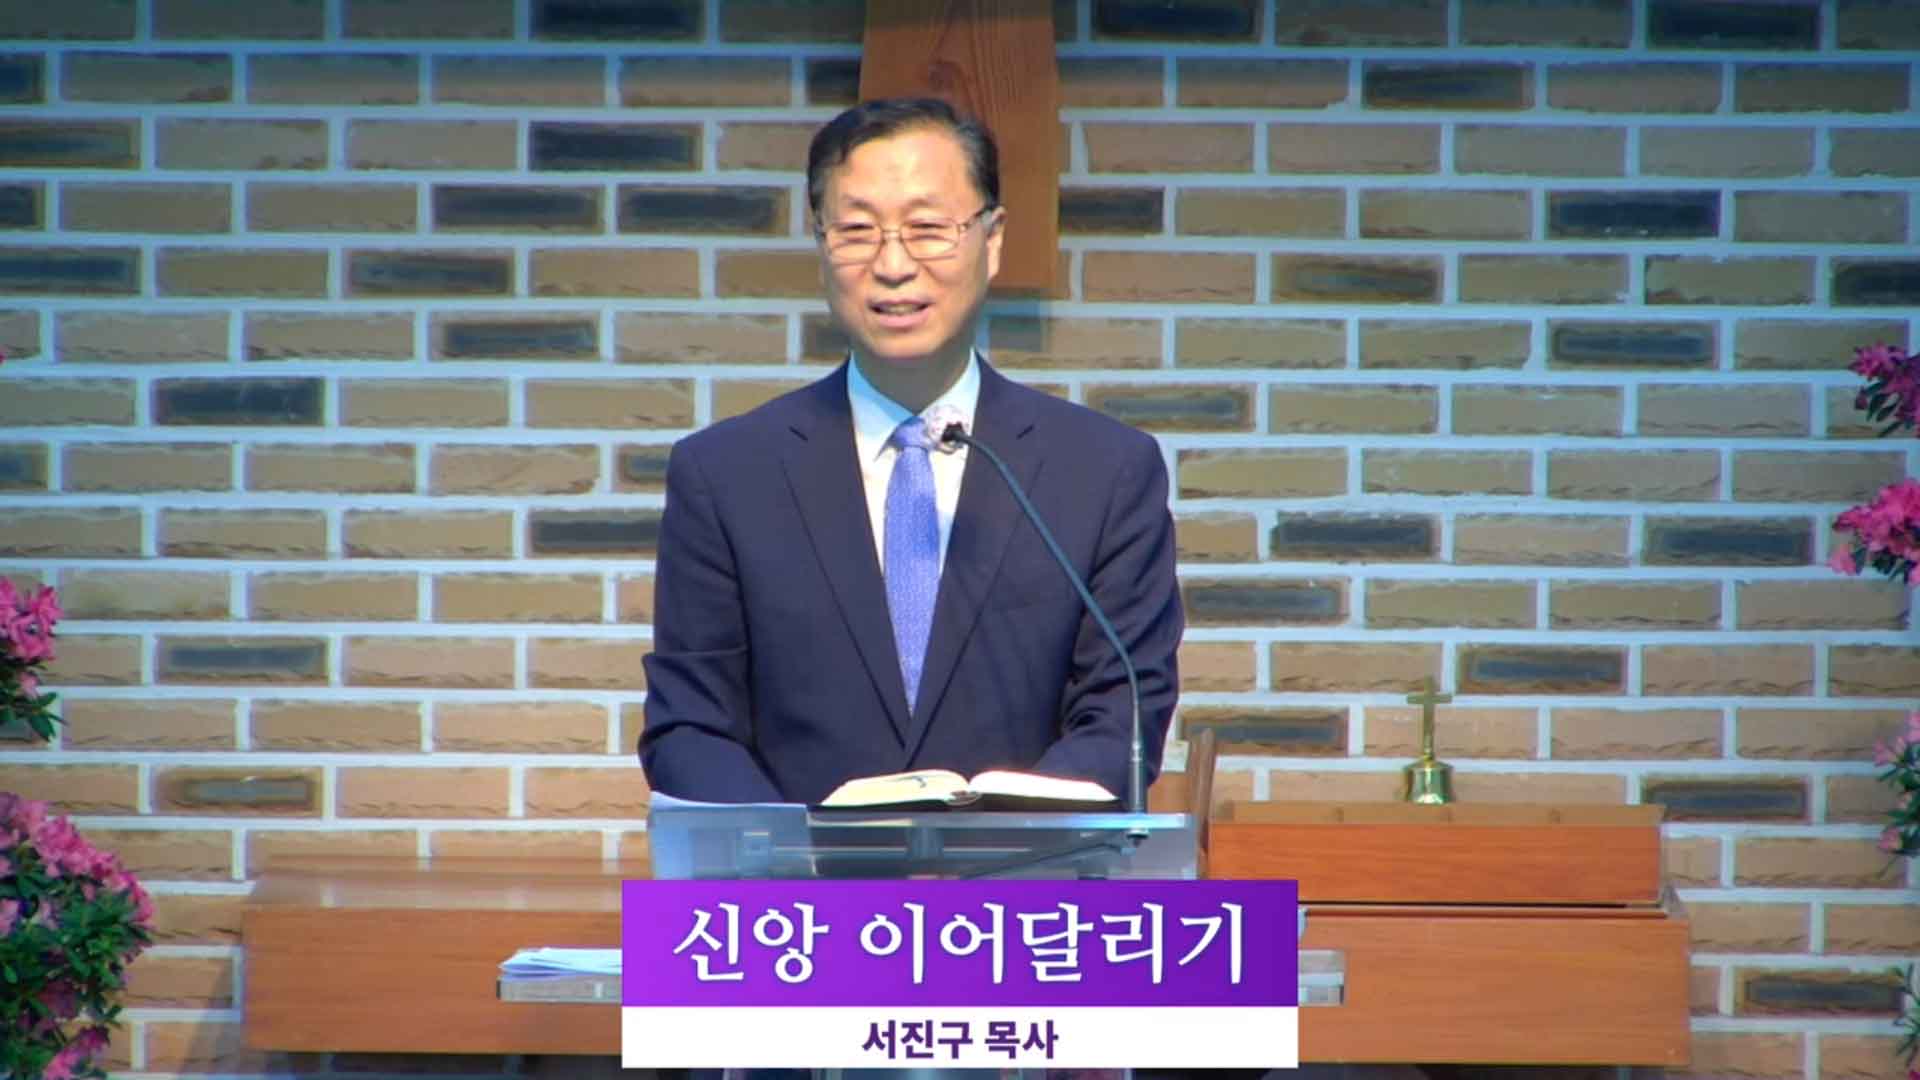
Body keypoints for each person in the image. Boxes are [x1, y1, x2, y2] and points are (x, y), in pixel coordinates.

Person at [638, 96, 1183, 807]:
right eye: (857, 230)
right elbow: (689, 726)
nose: (893, 265)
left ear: (992, 240)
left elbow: (1122, 712)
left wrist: (1003, 842)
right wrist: (792, 853)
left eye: (927, 228)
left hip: (1025, 873)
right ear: (821, 244)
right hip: (798, 877)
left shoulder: (1106, 472)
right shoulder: (726, 475)